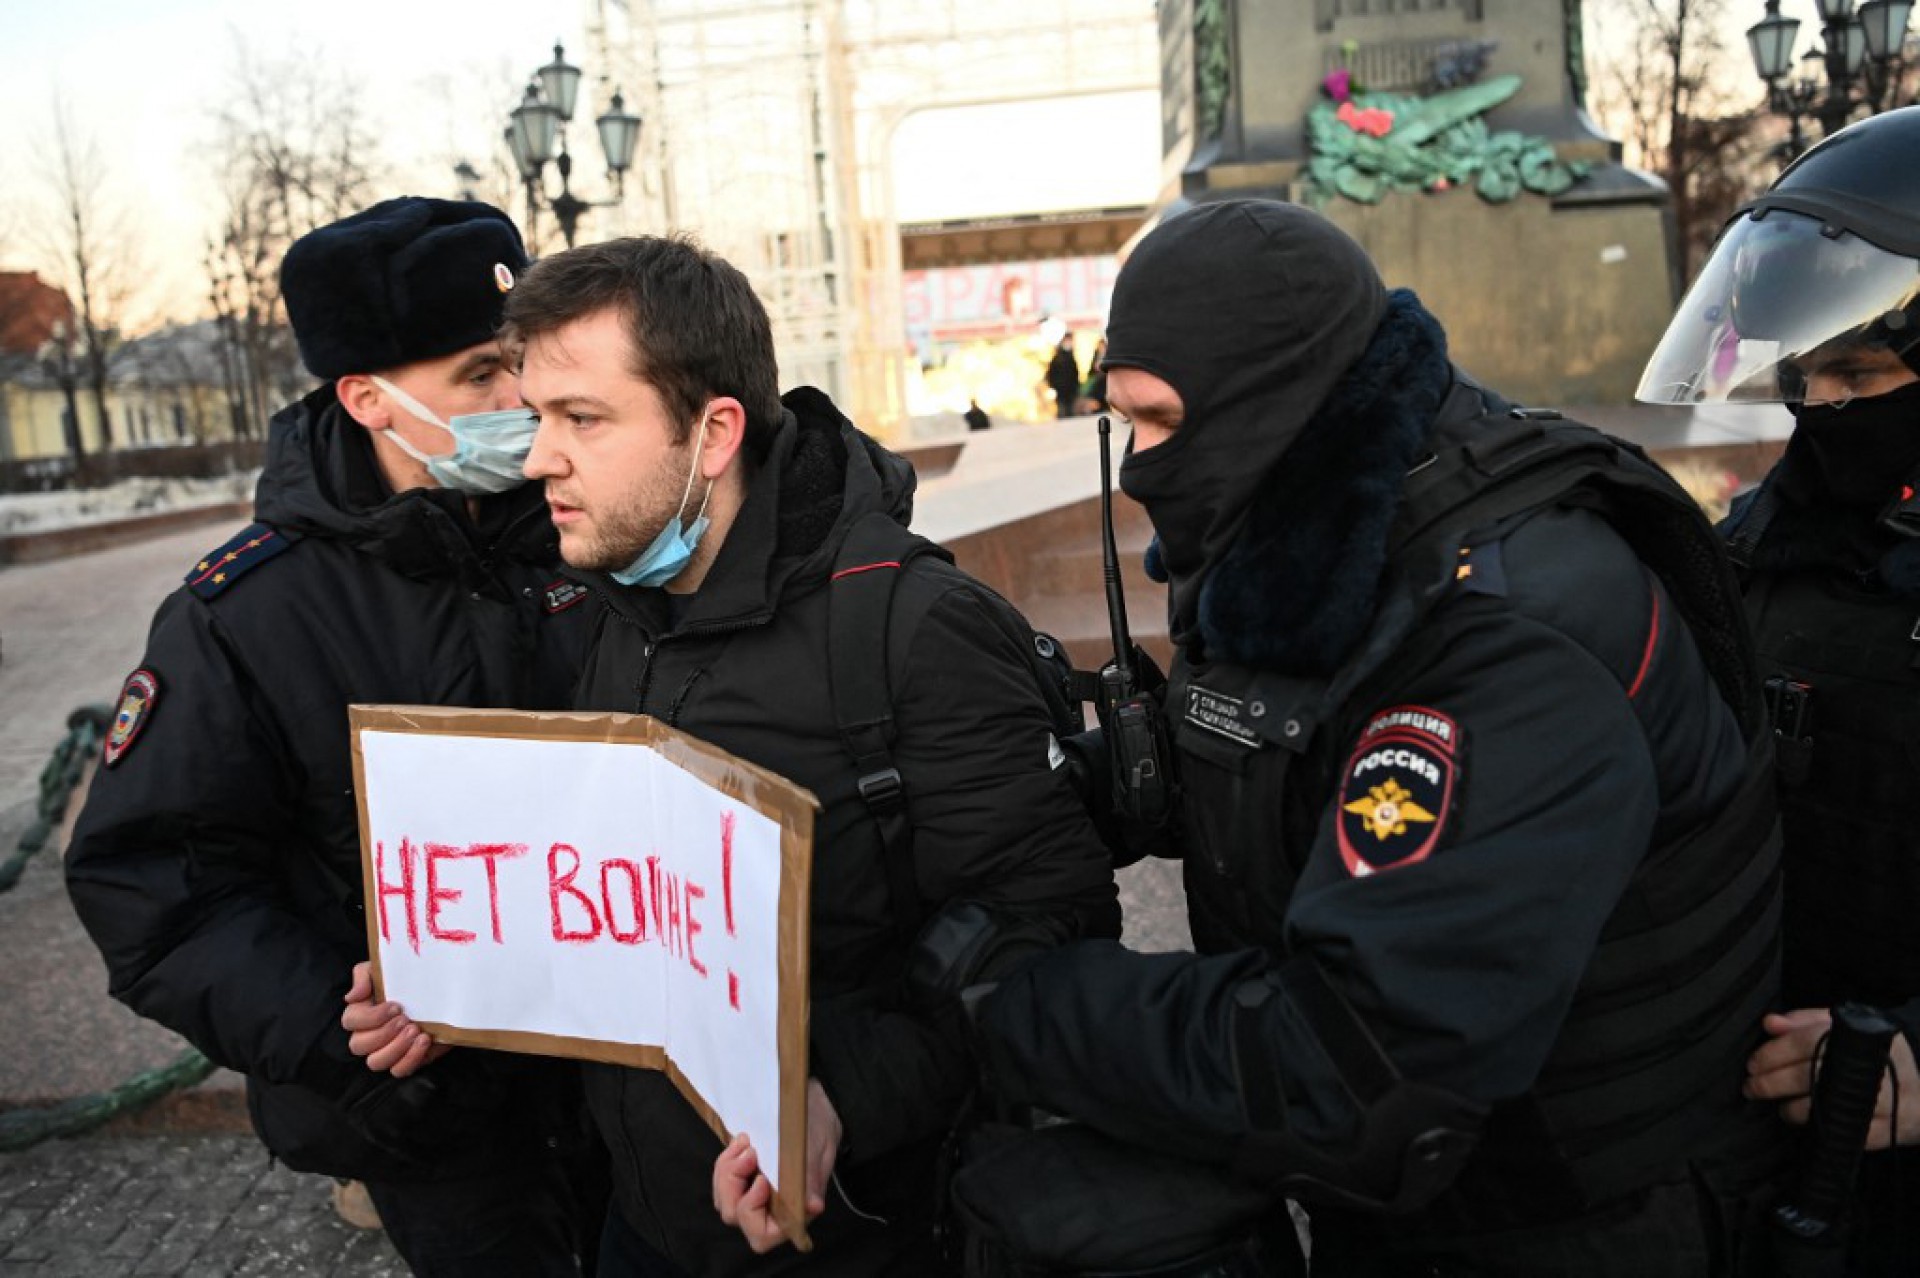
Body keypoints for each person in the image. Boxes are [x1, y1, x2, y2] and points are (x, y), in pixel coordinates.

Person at [967, 200, 1788, 1275]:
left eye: (1162, 421)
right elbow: (1268, 737)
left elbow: (1349, 1073)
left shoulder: (1509, 631)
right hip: (1429, 1219)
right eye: (1123, 422)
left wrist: (1019, 1007)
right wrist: (1052, 797)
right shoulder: (1313, 531)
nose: (1140, 470)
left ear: (1277, 400)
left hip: (1581, 1225)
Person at [348, 234, 1122, 1276]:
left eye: (583, 419)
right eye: (537, 418)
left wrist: (836, 1092)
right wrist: (463, 984)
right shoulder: (613, 611)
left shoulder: (915, 629)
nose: (538, 460)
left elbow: (1053, 931)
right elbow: (624, 907)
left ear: (714, 433)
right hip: (647, 1231)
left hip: (869, 1234)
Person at [64, 197, 600, 1276]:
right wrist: (335, 1029)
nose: (520, 400)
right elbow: (154, 888)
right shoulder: (244, 615)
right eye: (481, 377)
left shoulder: (594, 526)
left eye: (524, 366)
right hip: (433, 1118)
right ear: (367, 398)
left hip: (631, 1077)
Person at [1638, 105, 1920, 1276]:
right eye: (1806, 374)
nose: (1824, 405)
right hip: (1771, 1144)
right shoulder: (1763, 537)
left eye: (1861, 368)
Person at [1045, 332, 1080, 419]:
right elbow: (1051, 373)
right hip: (1060, 388)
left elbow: (1075, 373)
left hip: (1070, 388)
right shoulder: (1058, 357)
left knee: (1069, 410)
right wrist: (1054, 385)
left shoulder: (1071, 356)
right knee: (1062, 410)